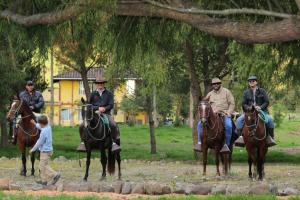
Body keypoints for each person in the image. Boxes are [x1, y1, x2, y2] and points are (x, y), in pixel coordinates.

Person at [194, 78, 235, 153]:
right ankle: (200, 143)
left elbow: (232, 103)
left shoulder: (226, 92)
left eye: (217, 83)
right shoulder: (210, 94)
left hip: (224, 114)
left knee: (228, 125)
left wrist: (229, 112)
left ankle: (227, 144)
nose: (215, 85)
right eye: (214, 84)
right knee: (200, 124)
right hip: (212, 115)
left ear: (220, 84)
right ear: (212, 85)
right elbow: (205, 103)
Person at [235, 75, 276, 147]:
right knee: (239, 120)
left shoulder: (262, 91)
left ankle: (270, 137)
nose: (251, 82)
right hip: (249, 112)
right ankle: (240, 137)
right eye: (250, 81)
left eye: (253, 81)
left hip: (261, 111)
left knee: (270, 120)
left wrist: (260, 107)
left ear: (256, 82)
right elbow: (244, 104)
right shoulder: (246, 92)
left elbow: (266, 102)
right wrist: (249, 108)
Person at [89, 76, 121, 153]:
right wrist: (97, 108)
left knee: (112, 124)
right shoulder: (93, 94)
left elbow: (111, 105)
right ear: (96, 84)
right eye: (98, 83)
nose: (100, 84)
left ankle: (113, 142)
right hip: (95, 114)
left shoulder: (109, 93)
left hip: (106, 114)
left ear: (104, 84)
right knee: (84, 124)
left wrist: (104, 109)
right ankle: (83, 142)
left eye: (101, 83)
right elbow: (90, 105)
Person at [29, 115, 60, 186]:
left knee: (43, 166)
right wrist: (34, 123)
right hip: (49, 150)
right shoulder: (48, 127)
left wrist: (33, 149)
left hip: (45, 151)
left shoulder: (43, 132)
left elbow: (39, 142)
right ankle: (44, 181)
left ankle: (55, 174)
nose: (39, 124)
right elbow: (40, 126)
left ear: (42, 123)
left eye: (39, 123)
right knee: (43, 165)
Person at [12, 80, 44, 145]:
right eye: (29, 85)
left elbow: (41, 102)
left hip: (35, 112)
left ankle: (43, 137)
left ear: (33, 86)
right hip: (24, 113)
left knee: (42, 122)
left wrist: (34, 106)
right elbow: (19, 103)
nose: (30, 87)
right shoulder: (22, 94)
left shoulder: (38, 93)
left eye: (31, 85)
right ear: (26, 86)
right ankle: (14, 137)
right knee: (15, 121)